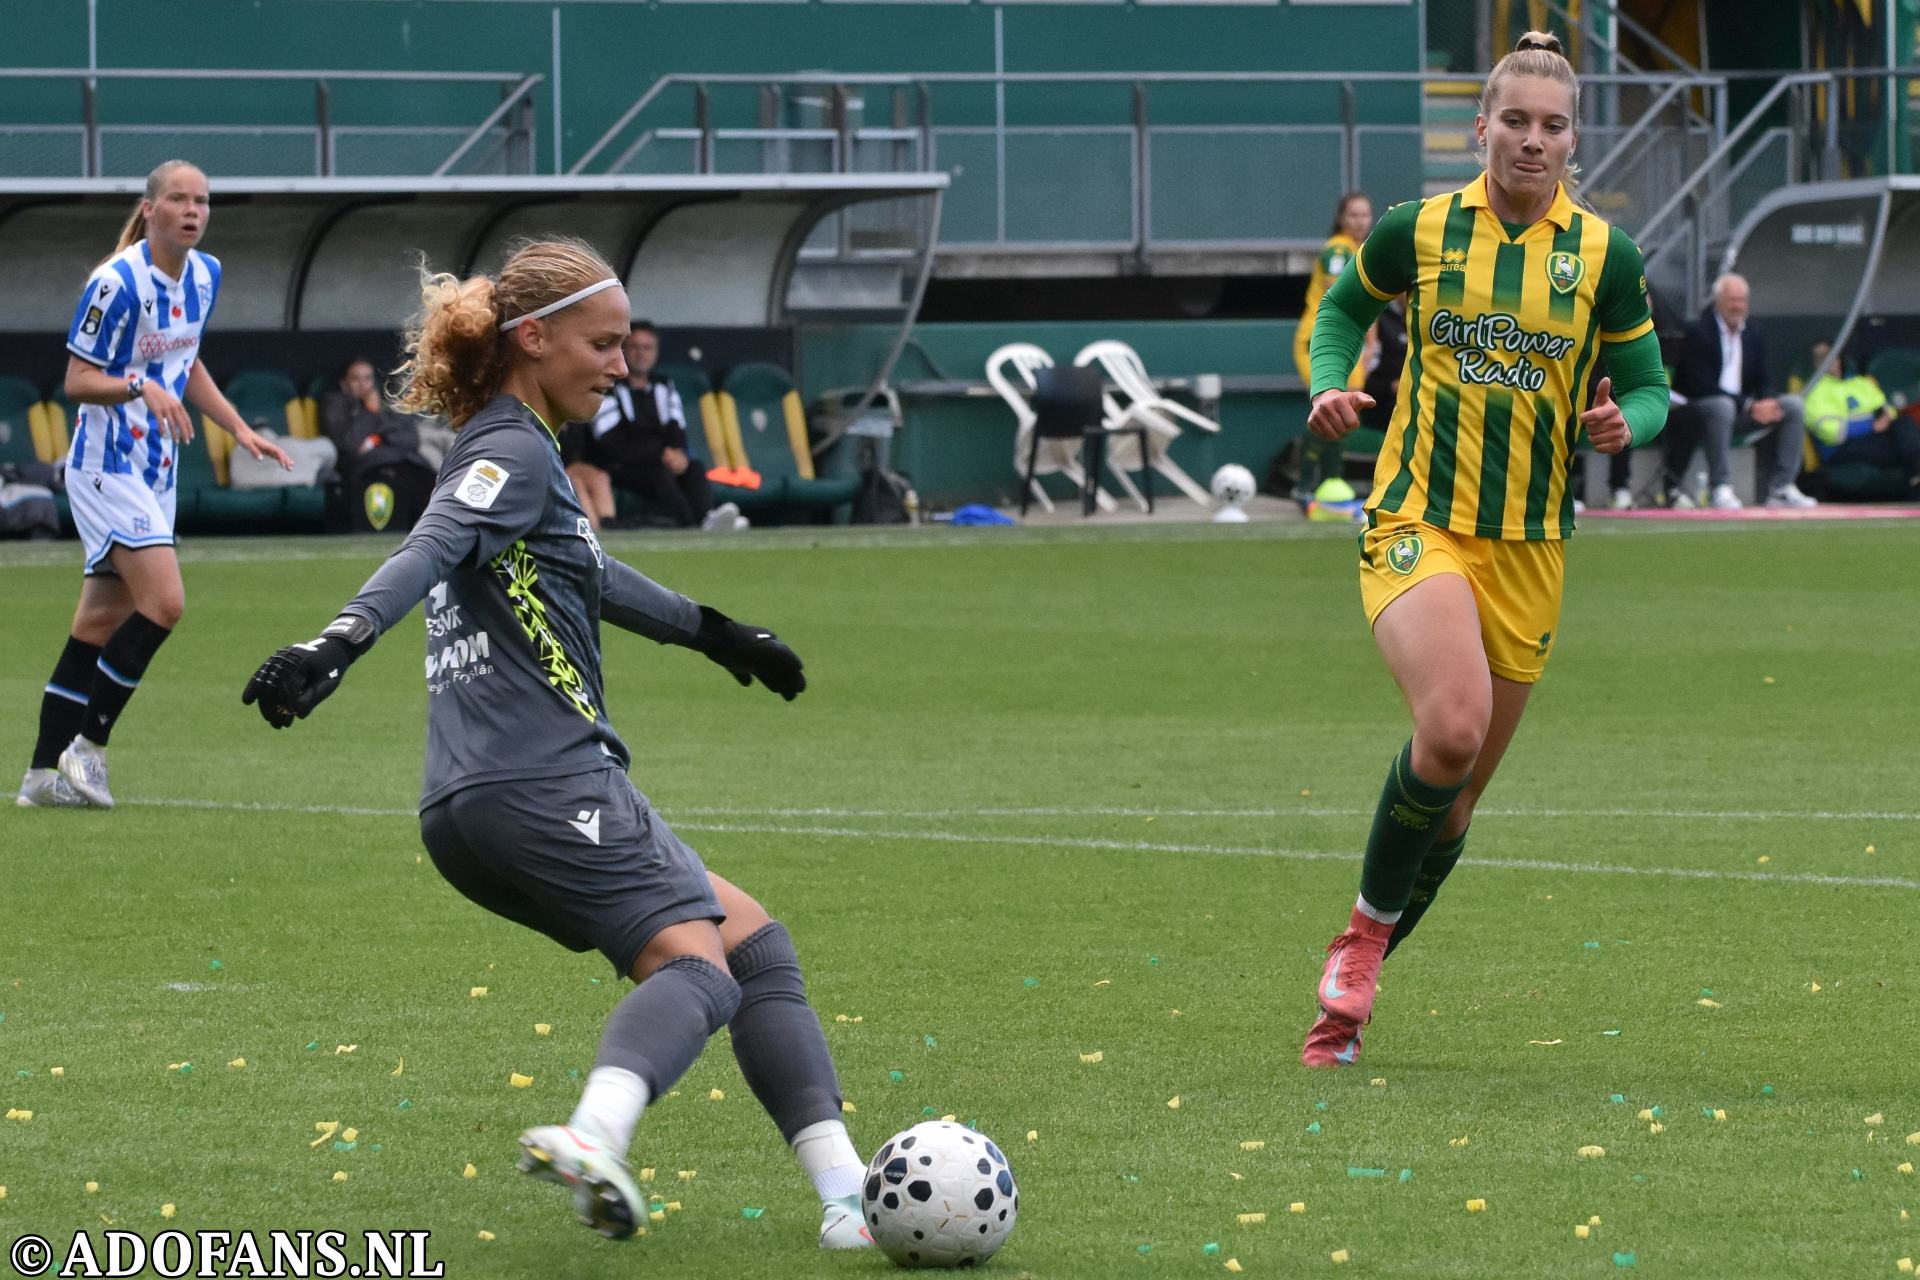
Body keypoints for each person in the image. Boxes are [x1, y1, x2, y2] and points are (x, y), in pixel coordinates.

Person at [240, 239, 870, 1250]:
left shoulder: (524, 454)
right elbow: (433, 541)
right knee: (701, 967)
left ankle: (845, 1191)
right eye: (604, 342)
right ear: (535, 338)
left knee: (752, 942)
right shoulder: (512, 451)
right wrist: (338, 642)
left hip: (475, 803)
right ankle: (593, 1134)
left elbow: (596, 575)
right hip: (543, 780)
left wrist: (716, 633)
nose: (622, 365)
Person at [1298, 32, 1669, 1068]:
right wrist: (1332, 381)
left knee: (1455, 800)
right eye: (1515, 121)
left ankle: (1344, 1007)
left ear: (1573, 139)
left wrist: (1626, 423)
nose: (1533, 141)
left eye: (1553, 126)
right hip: (1419, 519)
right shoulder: (1419, 231)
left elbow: (1647, 383)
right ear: (1482, 128)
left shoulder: (1605, 255)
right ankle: (1363, 939)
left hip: (1533, 548)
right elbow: (1344, 313)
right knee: (1450, 727)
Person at [17, 159, 291, 810]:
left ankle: (38, 779)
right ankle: (88, 748)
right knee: (164, 602)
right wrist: (139, 384)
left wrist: (237, 429)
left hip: (155, 470)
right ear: (150, 209)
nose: (193, 210)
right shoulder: (115, 284)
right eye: (178, 199)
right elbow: (77, 382)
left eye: (202, 200)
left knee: (98, 620)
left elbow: (184, 362)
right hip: (104, 464)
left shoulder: (206, 274)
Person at [561, 321, 741, 532]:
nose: (641, 353)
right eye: (635, 347)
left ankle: (708, 517)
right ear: (624, 350)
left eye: (647, 348)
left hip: (659, 460)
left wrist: (679, 454)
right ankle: (687, 522)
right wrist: (661, 453)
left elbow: (677, 427)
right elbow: (610, 439)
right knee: (658, 473)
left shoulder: (664, 384)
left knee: (693, 467)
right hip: (619, 462)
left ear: (656, 352)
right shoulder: (609, 385)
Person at [1663, 273, 1817, 509]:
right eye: (1732, 300)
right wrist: (1748, 404)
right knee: (1722, 406)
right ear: (1718, 301)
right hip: (1698, 411)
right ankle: (1720, 487)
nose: (1738, 306)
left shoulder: (1754, 333)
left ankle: (1782, 487)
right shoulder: (1698, 332)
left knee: (1793, 406)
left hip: (1744, 410)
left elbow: (1764, 379)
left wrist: (1767, 402)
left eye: (1742, 300)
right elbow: (1700, 385)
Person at [1291, 193, 1381, 504]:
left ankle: (1331, 483)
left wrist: (1371, 344)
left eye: (1365, 215)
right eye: (1354, 215)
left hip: (1352, 346)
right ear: (1342, 219)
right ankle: (1303, 483)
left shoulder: (1361, 250)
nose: (1360, 221)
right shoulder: (1338, 251)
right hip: (1319, 340)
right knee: (1330, 404)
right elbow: (1343, 301)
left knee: (1343, 409)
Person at [320, 356, 437, 531]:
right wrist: (369, 411)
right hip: (366, 467)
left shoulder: (387, 403)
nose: (363, 384)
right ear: (344, 383)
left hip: (406, 460)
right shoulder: (335, 403)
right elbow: (351, 443)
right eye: (356, 378)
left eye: (368, 378)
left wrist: (379, 438)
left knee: (430, 480)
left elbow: (411, 439)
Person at [1801, 343, 1920, 495]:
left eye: (1831, 355)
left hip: (1874, 438)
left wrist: (1886, 416)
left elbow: (1885, 407)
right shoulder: (1814, 390)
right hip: (1841, 448)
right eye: (1821, 358)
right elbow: (1829, 431)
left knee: (1904, 422)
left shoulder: (1859, 383)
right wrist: (1871, 426)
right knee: (1900, 448)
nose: (1828, 361)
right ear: (1813, 364)